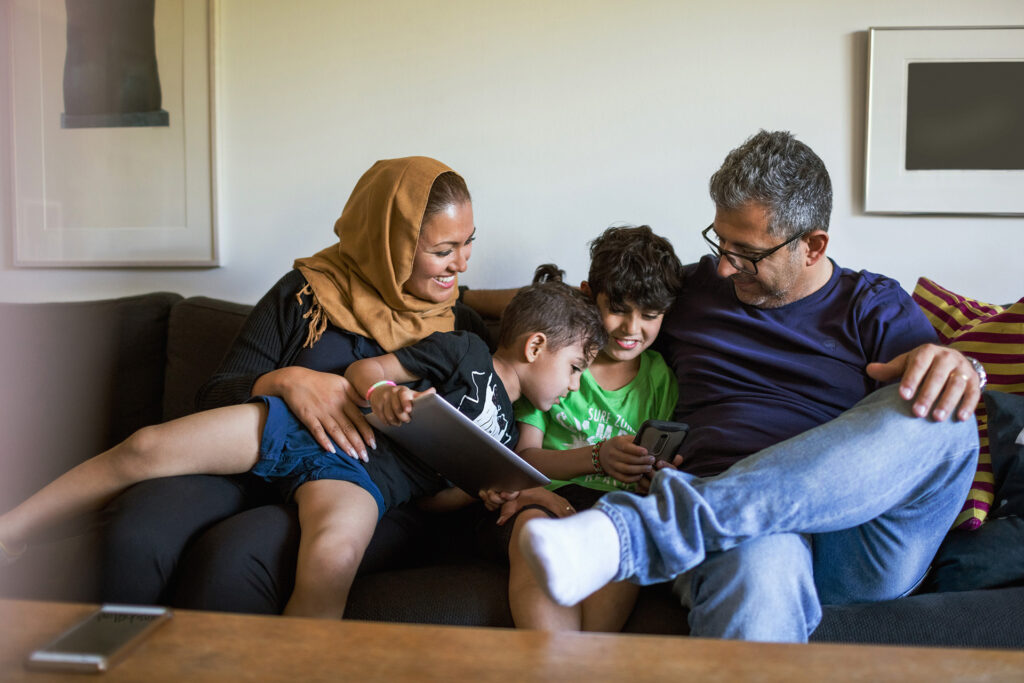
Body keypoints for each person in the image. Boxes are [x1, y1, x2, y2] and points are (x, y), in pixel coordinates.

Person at [518, 130, 984, 643]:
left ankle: (638, 535)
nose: (723, 266)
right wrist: (453, 302)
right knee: (758, 554)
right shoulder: (695, 291)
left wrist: (958, 368)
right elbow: (580, 307)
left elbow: (922, 422)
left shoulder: (873, 306)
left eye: (746, 253)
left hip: (855, 540)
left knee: (946, 416)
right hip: (743, 539)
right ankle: (690, 524)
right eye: (719, 244)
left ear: (813, 246)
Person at [0, 281, 608, 619]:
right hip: (306, 426)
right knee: (147, 445)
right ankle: (13, 529)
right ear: (534, 348)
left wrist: (481, 491)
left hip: (366, 485)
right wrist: (389, 396)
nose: (577, 383)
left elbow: (434, 501)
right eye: (577, 367)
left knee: (331, 562)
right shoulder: (462, 351)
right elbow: (370, 368)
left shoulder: (504, 437)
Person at [95, 156, 494, 613]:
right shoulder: (306, 292)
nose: (461, 263)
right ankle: (103, 661)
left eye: (468, 243)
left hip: (366, 496)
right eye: (444, 250)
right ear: (391, 245)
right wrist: (285, 380)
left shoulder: (459, 329)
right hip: (252, 465)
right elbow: (210, 397)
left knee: (236, 558)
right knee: (137, 530)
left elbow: (484, 434)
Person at [480, 226, 683, 632]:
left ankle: (576, 665)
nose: (631, 328)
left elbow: (660, 461)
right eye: (619, 309)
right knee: (530, 526)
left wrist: (658, 478)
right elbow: (525, 458)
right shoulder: (556, 363)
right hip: (547, 500)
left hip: (619, 510)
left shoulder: (661, 378)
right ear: (590, 294)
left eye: (650, 315)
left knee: (633, 538)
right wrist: (598, 456)